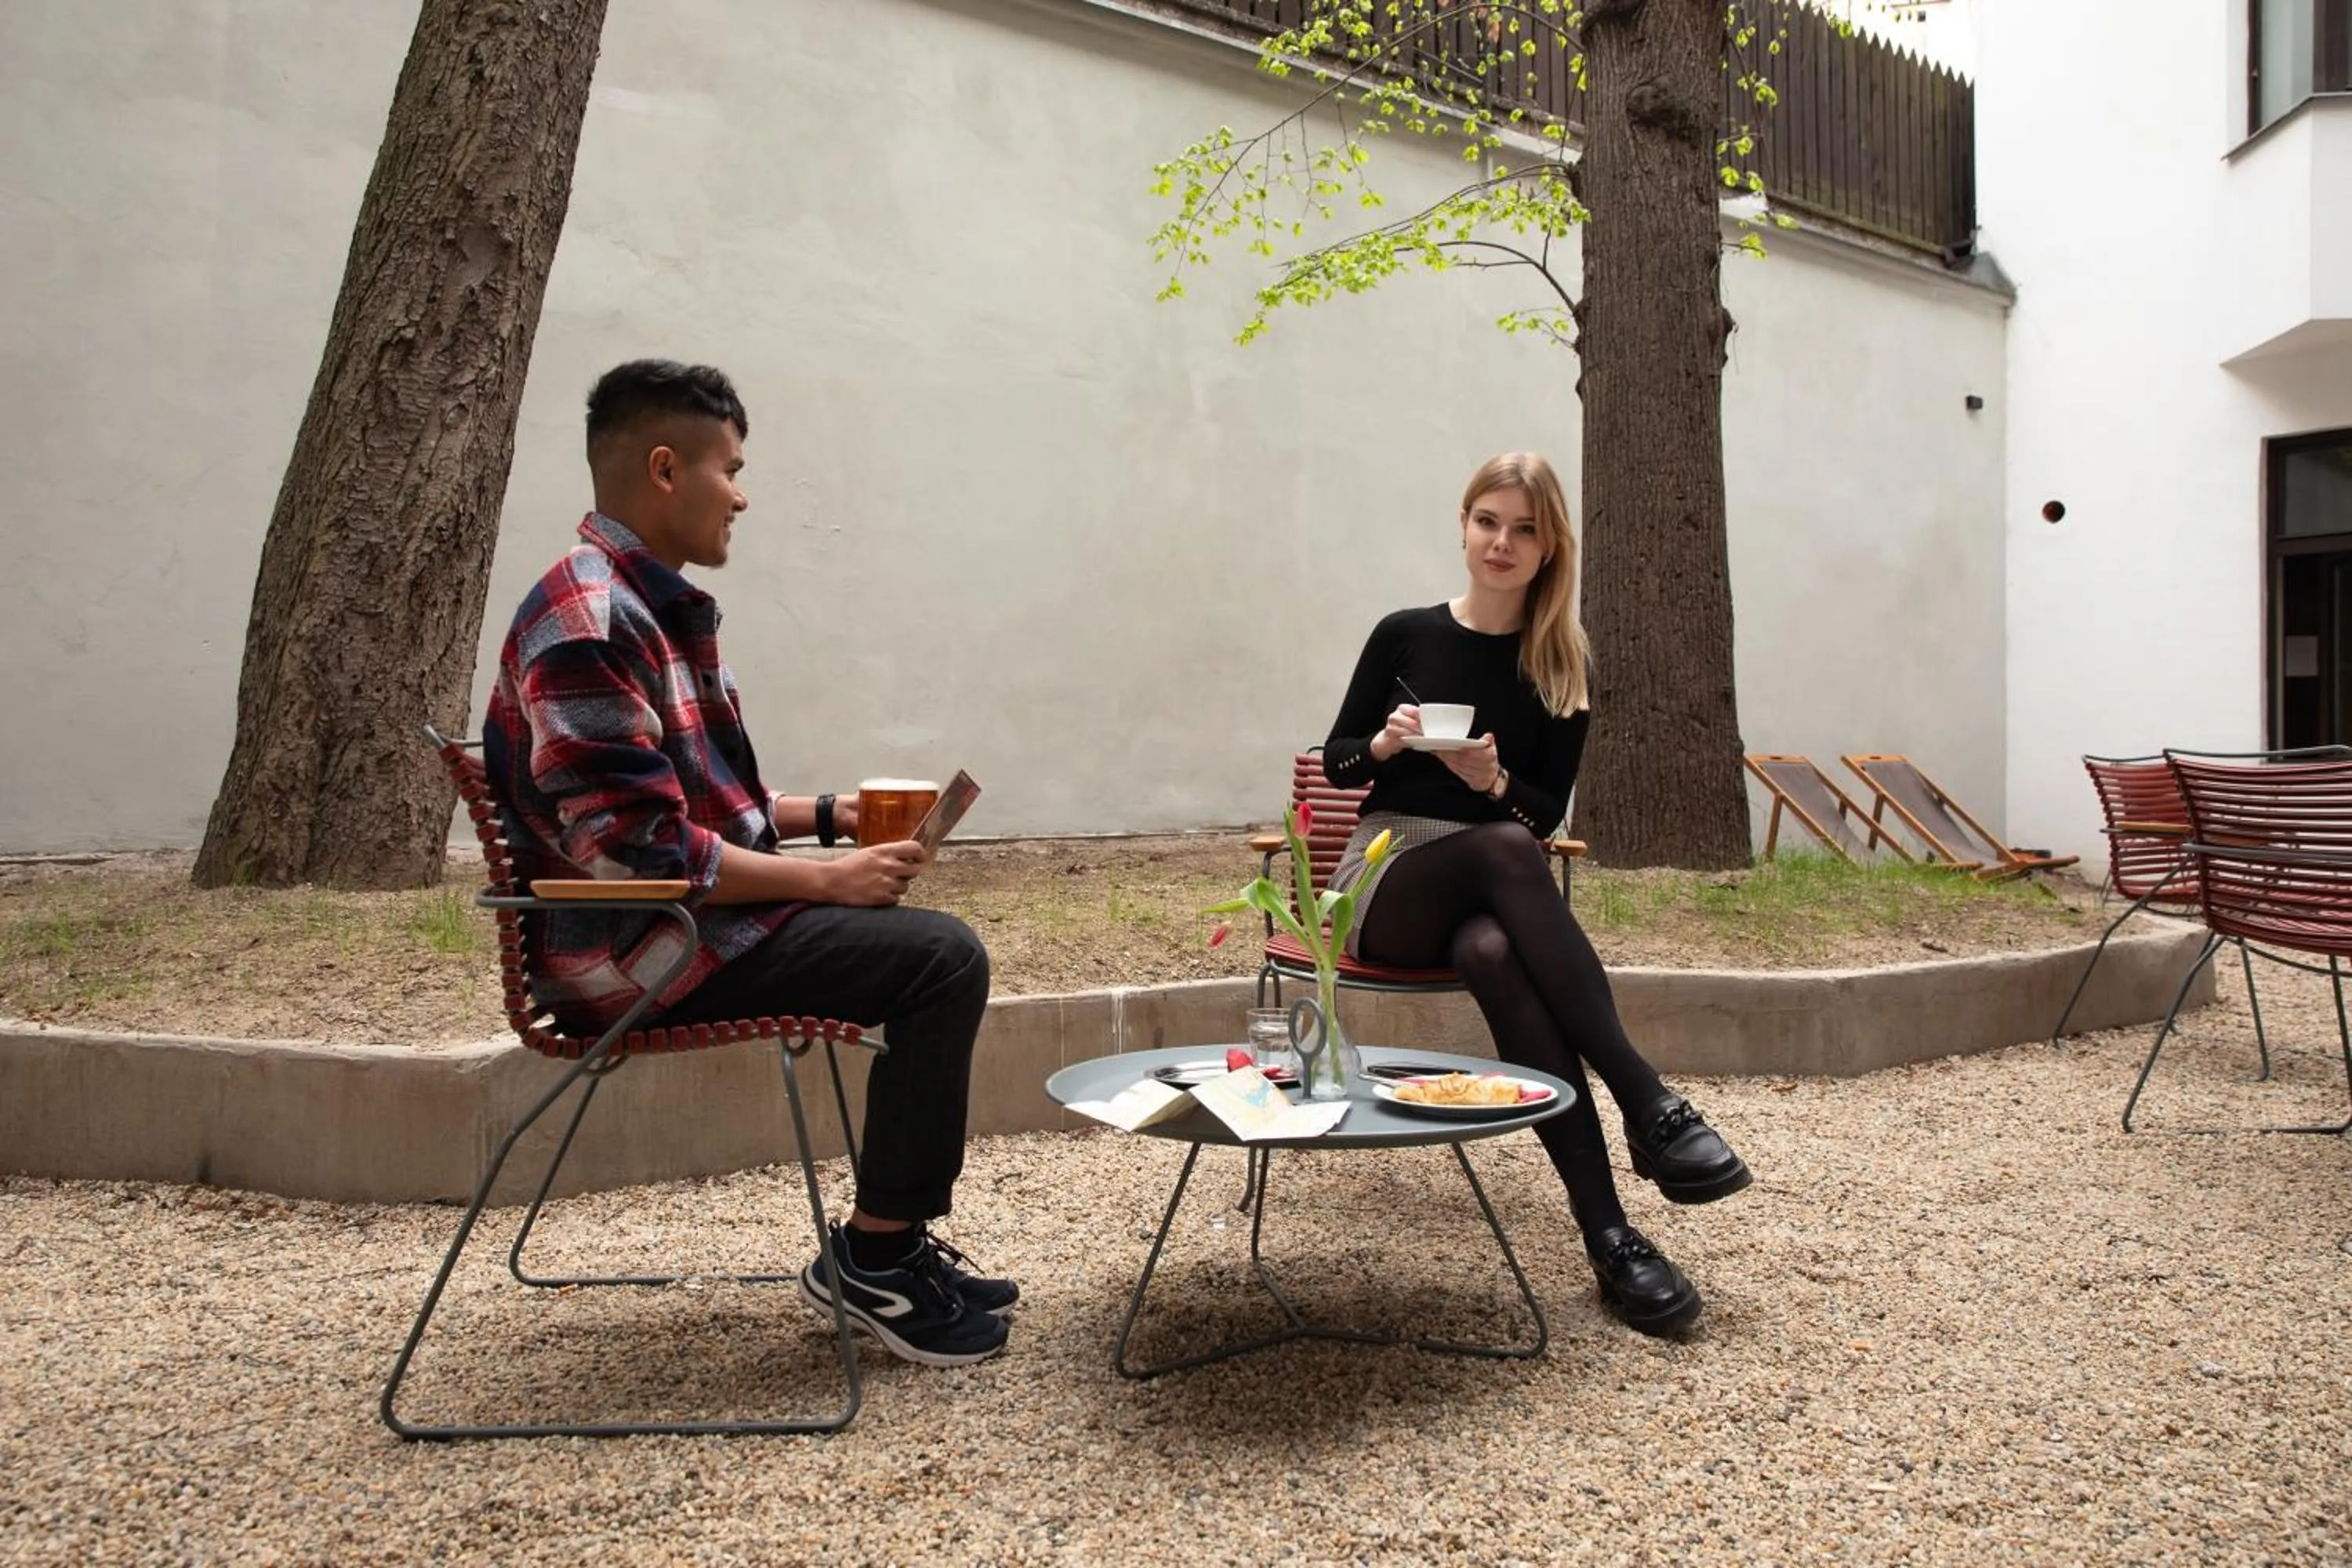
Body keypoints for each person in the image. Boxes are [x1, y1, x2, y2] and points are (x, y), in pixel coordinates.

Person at [483, 358, 1014, 1367]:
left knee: (928, 949)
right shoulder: (591, 623)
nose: (744, 491)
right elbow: (637, 848)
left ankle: (888, 1242)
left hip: (684, 923)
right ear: (665, 468)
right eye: (731, 466)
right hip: (647, 952)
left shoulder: (646, 607)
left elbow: (675, 806)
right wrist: (826, 879)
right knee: (940, 957)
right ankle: (878, 1256)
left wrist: (825, 816)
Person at [1319, 452, 1751, 1336]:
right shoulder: (1405, 632)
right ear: (1464, 521)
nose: (1502, 542)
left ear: (1551, 544)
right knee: (1509, 849)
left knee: (1491, 946)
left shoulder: (1561, 660)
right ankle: (1646, 1098)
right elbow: (1338, 761)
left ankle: (1610, 1234)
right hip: (1389, 871)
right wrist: (1393, 746)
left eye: (1524, 528)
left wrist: (1494, 778)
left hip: (1487, 879)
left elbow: (1545, 811)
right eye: (1487, 520)